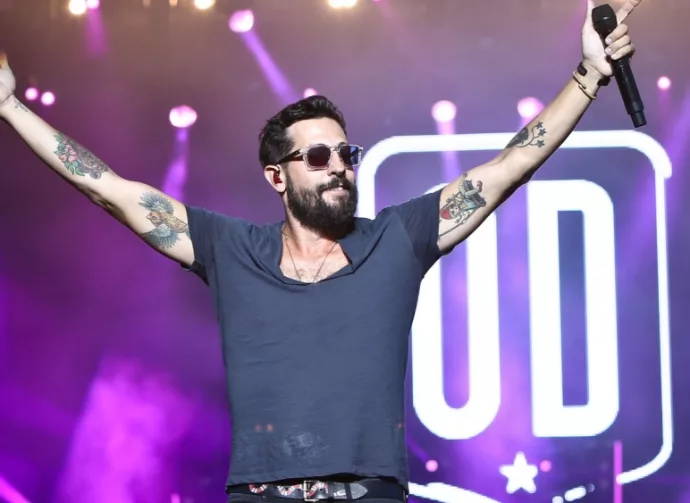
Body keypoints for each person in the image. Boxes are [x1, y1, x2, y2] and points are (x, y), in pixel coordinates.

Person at [0, 1, 640, 501]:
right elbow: (111, 192)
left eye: (346, 153)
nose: (338, 166)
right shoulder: (232, 249)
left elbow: (506, 170)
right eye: (316, 156)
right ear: (277, 176)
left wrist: (586, 76)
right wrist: (10, 107)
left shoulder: (396, 239)